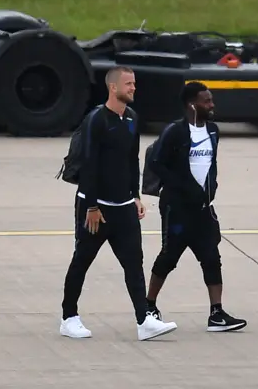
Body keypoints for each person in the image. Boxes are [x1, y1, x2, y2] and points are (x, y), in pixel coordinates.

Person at [60, 66, 178, 341]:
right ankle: (68, 317)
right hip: (96, 207)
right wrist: (90, 207)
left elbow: (131, 160)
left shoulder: (132, 119)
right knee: (82, 261)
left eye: (134, 83)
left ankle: (143, 321)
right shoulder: (96, 120)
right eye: (128, 84)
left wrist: (135, 195)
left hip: (123, 205)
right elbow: (89, 164)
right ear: (113, 88)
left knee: (134, 263)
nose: (133, 88)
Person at [145, 81, 247, 332]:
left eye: (211, 100)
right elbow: (157, 163)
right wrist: (183, 187)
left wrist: (211, 186)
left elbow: (210, 164)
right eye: (207, 101)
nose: (211, 105)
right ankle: (148, 306)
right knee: (169, 257)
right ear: (192, 104)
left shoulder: (213, 131)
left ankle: (216, 314)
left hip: (203, 208)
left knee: (211, 257)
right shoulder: (175, 132)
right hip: (177, 208)